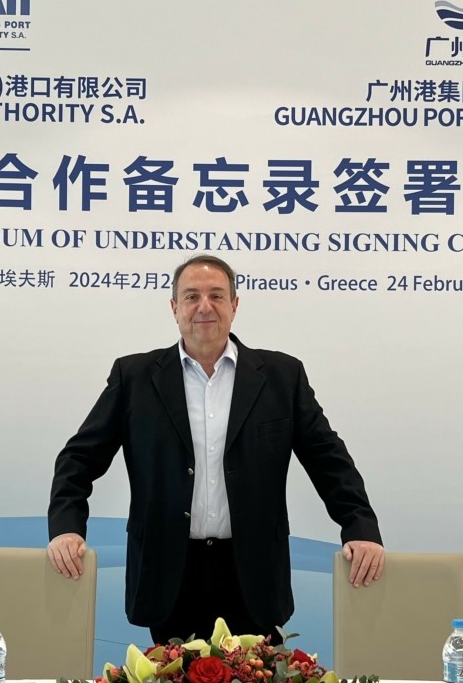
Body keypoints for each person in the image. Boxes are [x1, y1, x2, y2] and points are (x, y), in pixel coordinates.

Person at [47, 256, 384, 644]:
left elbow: (328, 458)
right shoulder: (135, 377)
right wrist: (67, 528)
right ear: (174, 308)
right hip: (170, 572)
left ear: (234, 306)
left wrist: (359, 526)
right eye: (191, 296)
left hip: (253, 571)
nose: (204, 307)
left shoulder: (282, 377)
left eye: (216, 296)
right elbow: (79, 458)